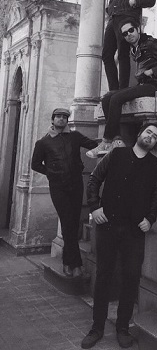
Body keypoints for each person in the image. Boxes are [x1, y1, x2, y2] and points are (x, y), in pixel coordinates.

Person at [81, 122, 157, 349]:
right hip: (108, 224)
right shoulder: (116, 154)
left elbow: (156, 195)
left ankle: (123, 328)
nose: (150, 137)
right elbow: (94, 179)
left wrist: (151, 219)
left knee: (131, 277)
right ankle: (97, 328)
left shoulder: (156, 166)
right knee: (104, 275)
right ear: (139, 133)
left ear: (155, 143)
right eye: (148, 132)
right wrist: (94, 206)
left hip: (134, 230)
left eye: (155, 136)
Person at [87, 18, 157, 159]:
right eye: (125, 33)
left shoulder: (152, 43)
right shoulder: (133, 48)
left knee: (116, 98)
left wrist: (153, 71)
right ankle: (117, 140)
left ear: (138, 29)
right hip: (143, 84)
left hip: (154, 85)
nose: (129, 34)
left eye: (131, 30)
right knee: (107, 98)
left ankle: (106, 142)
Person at [31, 108, 98, 277]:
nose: (61, 119)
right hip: (58, 187)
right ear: (52, 120)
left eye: (64, 117)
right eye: (58, 117)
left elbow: (93, 144)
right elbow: (35, 164)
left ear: (67, 120)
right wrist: (51, 173)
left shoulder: (75, 136)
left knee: (73, 224)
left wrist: (110, 141)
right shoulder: (43, 142)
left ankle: (68, 262)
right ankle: (76, 264)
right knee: (68, 222)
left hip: (76, 185)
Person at [103, 0, 156, 91]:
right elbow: (112, 1)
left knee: (123, 53)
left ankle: (122, 89)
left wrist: (136, 1)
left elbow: (151, 0)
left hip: (127, 18)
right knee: (106, 55)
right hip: (113, 19)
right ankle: (113, 89)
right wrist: (109, 10)